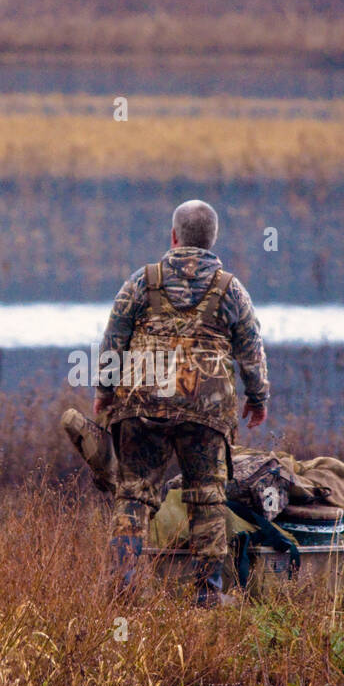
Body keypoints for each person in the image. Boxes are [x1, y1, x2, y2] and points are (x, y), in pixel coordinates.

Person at [94, 200, 269, 606]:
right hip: (206, 410)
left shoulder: (142, 280)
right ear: (213, 240)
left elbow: (112, 340)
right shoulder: (231, 289)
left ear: (173, 237)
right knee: (207, 496)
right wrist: (257, 398)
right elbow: (251, 350)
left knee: (134, 495)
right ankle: (208, 595)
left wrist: (105, 393)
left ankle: (124, 589)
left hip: (142, 404)